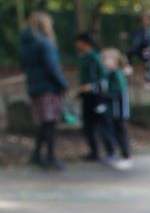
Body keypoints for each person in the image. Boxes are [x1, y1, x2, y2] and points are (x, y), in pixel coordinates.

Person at [19, 10, 69, 172]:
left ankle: (37, 155)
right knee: (50, 123)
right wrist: (63, 84)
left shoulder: (26, 44)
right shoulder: (45, 44)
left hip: (34, 87)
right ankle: (50, 157)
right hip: (48, 88)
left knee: (44, 122)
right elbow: (51, 67)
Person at [75, 32, 114, 163]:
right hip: (87, 96)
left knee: (103, 123)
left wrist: (92, 87)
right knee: (88, 125)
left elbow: (103, 77)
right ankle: (94, 152)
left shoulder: (95, 57)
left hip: (98, 96)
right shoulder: (83, 57)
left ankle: (110, 151)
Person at [100, 48, 133, 170]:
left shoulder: (117, 74)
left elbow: (119, 92)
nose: (104, 61)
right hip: (113, 109)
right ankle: (120, 156)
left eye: (107, 58)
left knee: (121, 132)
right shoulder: (108, 74)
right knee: (116, 132)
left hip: (119, 109)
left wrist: (104, 95)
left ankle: (126, 157)